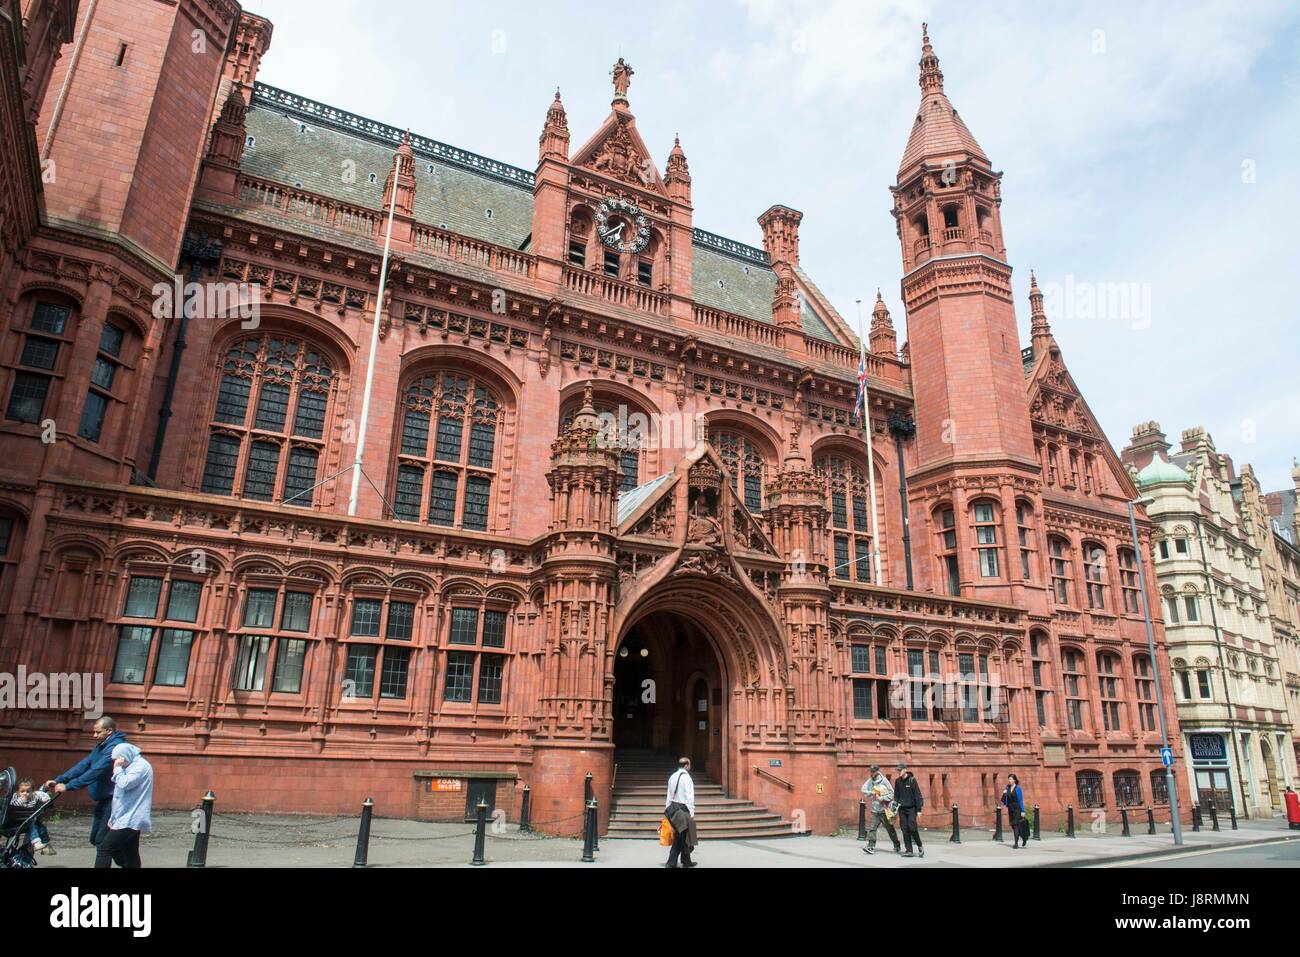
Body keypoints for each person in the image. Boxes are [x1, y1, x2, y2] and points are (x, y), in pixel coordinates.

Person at [45, 716, 127, 855]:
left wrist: (69, 786)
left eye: (98, 732)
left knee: (102, 841)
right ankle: (128, 862)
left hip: (114, 799)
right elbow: (84, 764)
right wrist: (61, 779)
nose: (94, 736)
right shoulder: (102, 745)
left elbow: (95, 772)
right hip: (104, 798)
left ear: (109, 731)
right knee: (95, 839)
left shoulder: (115, 749)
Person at [95, 742, 153, 869]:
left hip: (131, 817)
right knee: (130, 850)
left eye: (119, 759)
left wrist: (117, 768)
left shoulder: (141, 766)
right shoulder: (133, 765)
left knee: (104, 848)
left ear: (126, 756)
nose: (116, 762)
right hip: (126, 816)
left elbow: (125, 783)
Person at [860, 764, 901, 855]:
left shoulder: (884, 781)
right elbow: (863, 789)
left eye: (873, 771)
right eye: (870, 771)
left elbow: (891, 793)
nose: (871, 773)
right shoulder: (870, 780)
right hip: (875, 810)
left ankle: (897, 845)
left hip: (884, 810)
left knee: (890, 829)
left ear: (877, 771)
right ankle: (871, 846)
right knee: (872, 829)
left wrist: (882, 798)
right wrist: (871, 792)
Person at [664, 757, 697, 868]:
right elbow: (689, 797)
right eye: (690, 764)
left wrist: (667, 809)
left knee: (684, 835)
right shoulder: (687, 778)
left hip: (673, 808)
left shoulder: (672, 776)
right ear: (686, 765)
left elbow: (669, 795)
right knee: (681, 835)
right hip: (683, 809)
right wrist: (692, 813)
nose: (690, 766)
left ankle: (686, 861)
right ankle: (671, 862)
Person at [9, 778, 54, 855]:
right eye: (22, 791)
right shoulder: (16, 797)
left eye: (28, 791)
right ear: (17, 792)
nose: (25, 793)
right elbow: (13, 804)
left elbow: (40, 794)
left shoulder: (34, 796)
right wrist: (22, 800)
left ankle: (46, 845)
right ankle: (36, 842)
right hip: (19, 820)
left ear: (32, 791)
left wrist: (45, 795)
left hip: (31, 819)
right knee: (31, 824)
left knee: (41, 827)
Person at [893, 761, 924, 858]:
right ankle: (909, 850)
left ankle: (920, 846)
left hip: (911, 809)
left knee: (912, 828)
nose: (899, 772)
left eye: (900, 770)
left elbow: (917, 795)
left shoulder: (912, 780)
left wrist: (919, 810)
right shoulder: (897, 781)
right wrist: (895, 807)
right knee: (904, 829)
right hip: (901, 809)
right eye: (898, 770)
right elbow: (896, 796)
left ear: (905, 770)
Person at [1002, 773, 1027, 848]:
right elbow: (1004, 800)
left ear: (1014, 780)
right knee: (1013, 825)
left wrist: (1022, 811)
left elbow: (1020, 800)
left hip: (1017, 808)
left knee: (1016, 825)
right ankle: (1023, 837)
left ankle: (1016, 843)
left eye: (1010, 779)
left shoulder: (1018, 788)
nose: (1009, 780)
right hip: (1010, 808)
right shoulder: (1007, 787)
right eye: (1008, 779)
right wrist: (1004, 794)